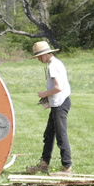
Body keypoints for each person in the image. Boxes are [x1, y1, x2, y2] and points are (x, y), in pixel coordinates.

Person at [25, 40, 72, 175]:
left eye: (39, 57)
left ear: (46, 54)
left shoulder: (53, 66)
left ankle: (67, 167)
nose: (39, 59)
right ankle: (44, 164)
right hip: (58, 103)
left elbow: (58, 87)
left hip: (60, 104)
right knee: (49, 135)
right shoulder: (56, 63)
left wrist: (44, 94)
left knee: (61, 136)